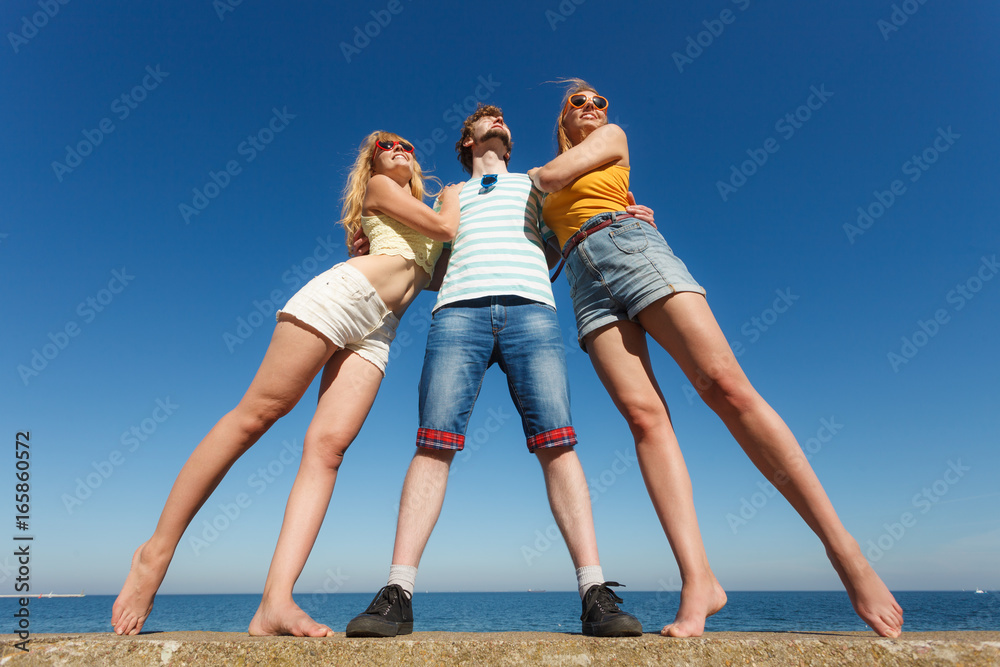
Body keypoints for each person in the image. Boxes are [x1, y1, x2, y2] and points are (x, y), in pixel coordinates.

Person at [528, 79, 904, 639]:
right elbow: (532, 242)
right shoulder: (548, 185)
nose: (594, 107)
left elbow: (548, 178)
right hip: (584, 279)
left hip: (629, 246)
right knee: (644, 420)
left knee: (724, 385)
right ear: (562, 117)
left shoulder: (608, 139)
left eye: (600, 100)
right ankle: (699, 580)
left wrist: (523, 187)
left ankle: (845, 552)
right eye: (579, 101)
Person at [111, 132, 462, 637]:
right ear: (372, 162)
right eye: (385, 145)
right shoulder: (382, 191)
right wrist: (453, 201)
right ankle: (154, 553)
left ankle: (275, 602)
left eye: (406, 144)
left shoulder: (419, 223)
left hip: (379, 330)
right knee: (255, 416)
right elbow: (448, 225)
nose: (398, 148)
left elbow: (443, 270)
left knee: (328, 451)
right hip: (344, 295)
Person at [345, 105, 650, 638]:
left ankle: (594, 591)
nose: (500, 119)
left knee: (558, 443)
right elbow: (431, 266)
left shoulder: (537, 186)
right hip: (457, 315)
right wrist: (375, 244)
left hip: (532, 312)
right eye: (487, 118)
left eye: (505, 117)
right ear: (467, 140)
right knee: (432, 444)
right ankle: (397, 593)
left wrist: (626, 217)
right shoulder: (448, 197)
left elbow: (566, 241)